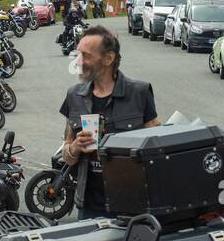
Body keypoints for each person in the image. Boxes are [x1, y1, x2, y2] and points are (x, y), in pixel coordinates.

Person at [59, 25, 158, 220]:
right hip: (89, 207)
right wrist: (76, 148)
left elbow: (157, 151)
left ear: (108, 58)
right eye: (78, 54)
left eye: (86, 56)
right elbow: (67, 155)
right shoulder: (74, 95)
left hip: (133, 204)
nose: (79, 61)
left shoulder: (139, 93)